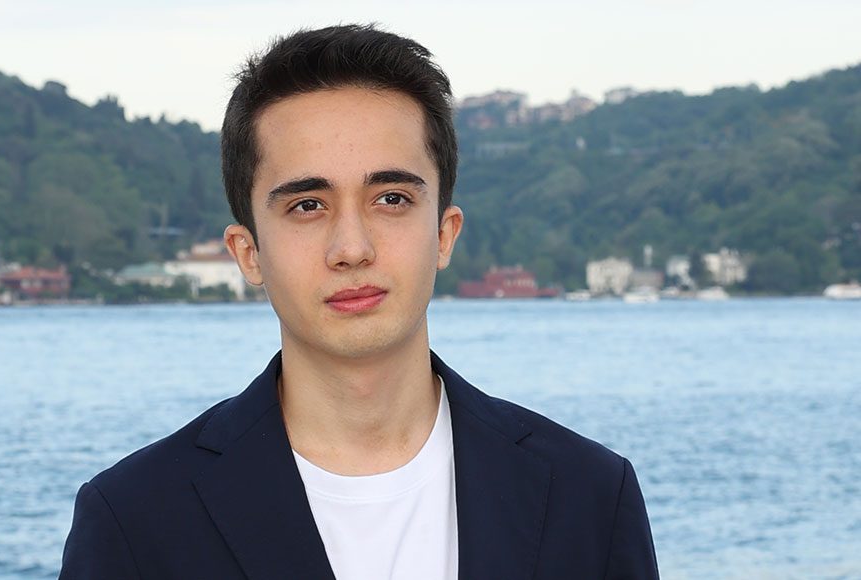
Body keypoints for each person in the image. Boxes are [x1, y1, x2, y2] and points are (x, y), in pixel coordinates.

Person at [59, 24, 658, 580]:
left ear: (444, 233)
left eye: (391, 199)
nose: (352, 248)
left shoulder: (590, 497)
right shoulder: (134, 520)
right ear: (249, 253)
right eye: (307, 206)